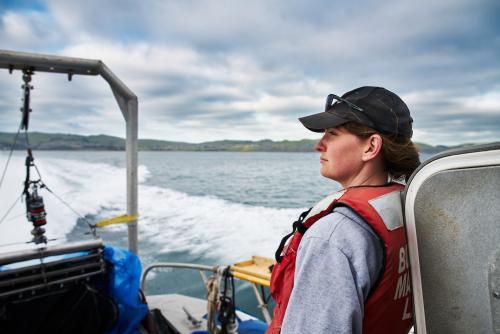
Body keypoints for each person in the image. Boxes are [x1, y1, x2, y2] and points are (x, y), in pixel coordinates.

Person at [267, 86, 420, 334]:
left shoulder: (332, 237)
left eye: (332, 133)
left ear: (370, 147)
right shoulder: (407, 210)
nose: (319, 145)